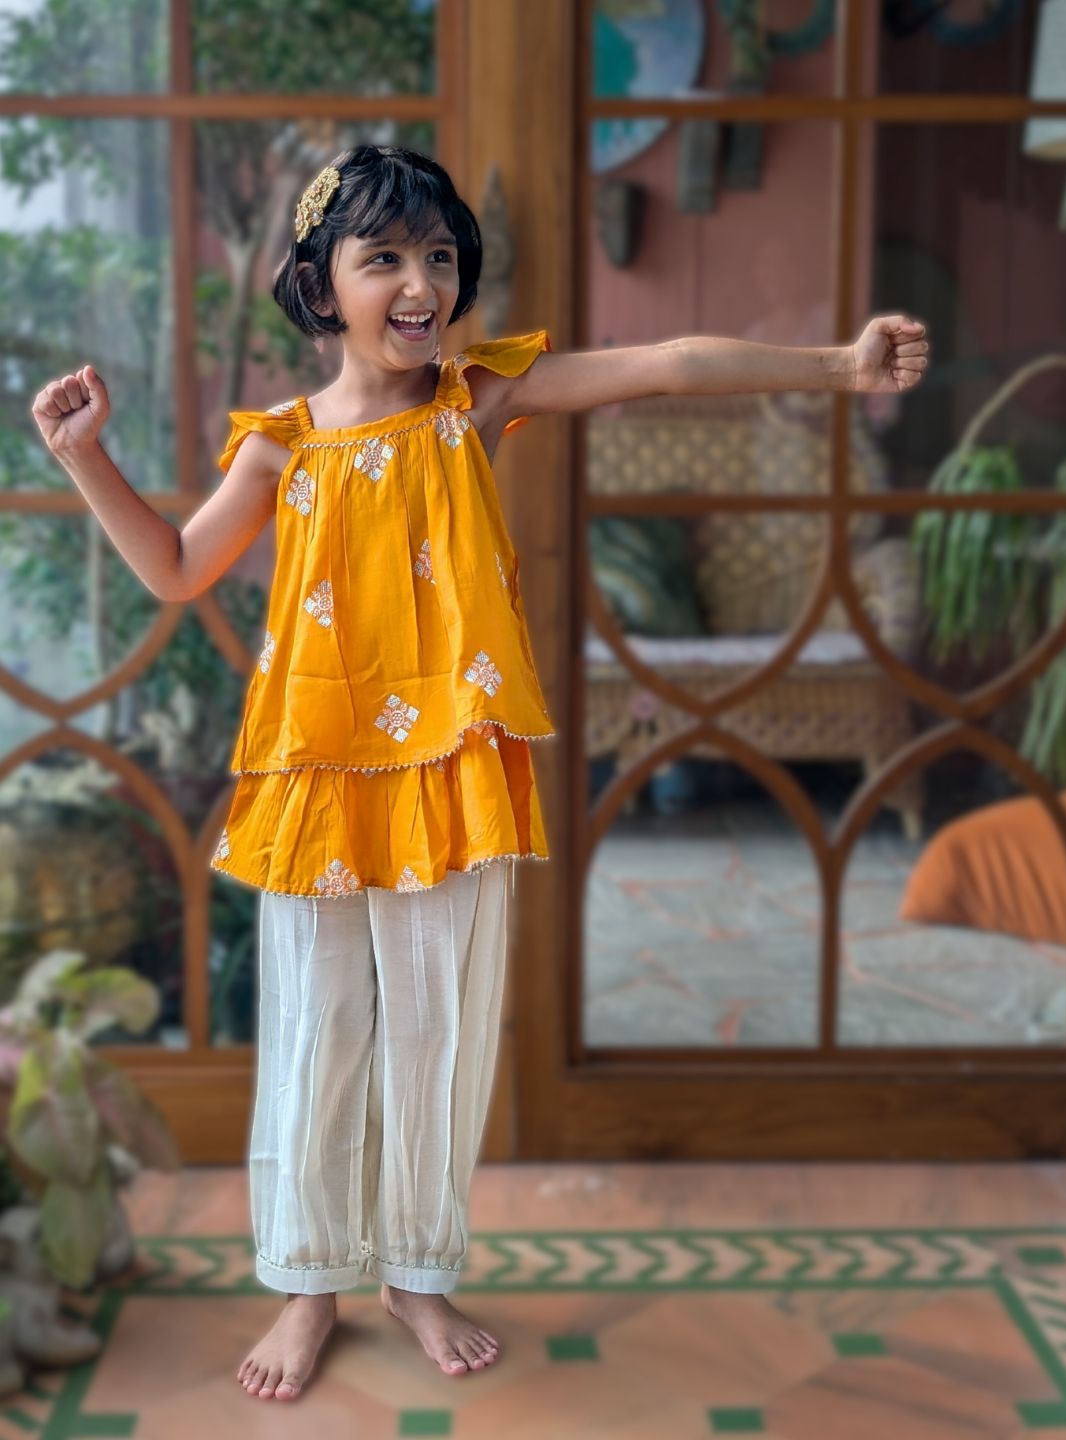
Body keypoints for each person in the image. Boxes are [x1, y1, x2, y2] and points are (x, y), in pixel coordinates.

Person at [29, 143, 930, 1403]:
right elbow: (176, 570)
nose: (419, 282)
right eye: (383, 256)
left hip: (451, 758)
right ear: (318, 282)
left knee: (437, 1029)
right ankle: (306, 1284)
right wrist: (83, 460)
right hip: (319, 765)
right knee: (317, 1029)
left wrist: (838, 366)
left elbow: (662, 366)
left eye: (439, 256)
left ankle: (416, 1272)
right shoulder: (279, 447)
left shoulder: (476, 398)